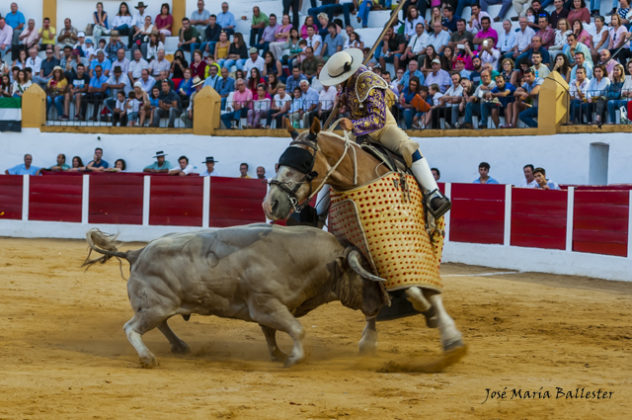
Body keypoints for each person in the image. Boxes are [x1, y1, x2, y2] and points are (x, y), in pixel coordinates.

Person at [318, 49, 450, 218]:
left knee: (408, 147)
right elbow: (353, 102)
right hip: (357, 133)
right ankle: (319, 213)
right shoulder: (347, 82)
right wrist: (343, 101)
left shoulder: (368, 82)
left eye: (339, 80)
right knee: (334, 158)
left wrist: (353, 123)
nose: (338, 83)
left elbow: (377, 119)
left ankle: (433, 194)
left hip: (381, 129)